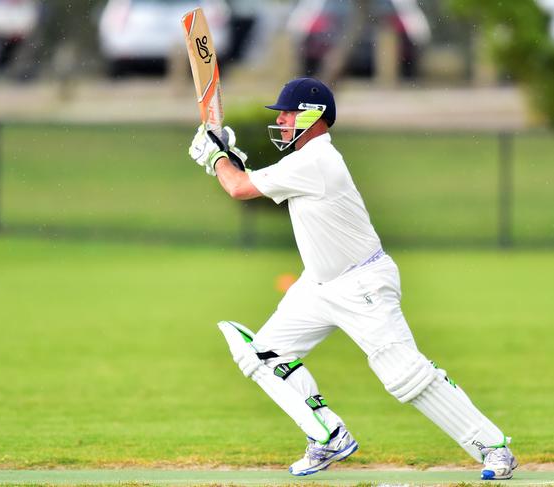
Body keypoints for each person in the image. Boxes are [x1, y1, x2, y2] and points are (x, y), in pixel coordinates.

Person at [188, 78, 517, 480]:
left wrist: (216, 159)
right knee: (262, 354)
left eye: (289, 113)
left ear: (313, 116)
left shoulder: (315, 160)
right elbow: (252, 181)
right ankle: (327, 435)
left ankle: (493, 446)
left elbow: (239, 188)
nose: (284, 121)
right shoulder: (304, 162)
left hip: (362, 284)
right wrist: (228, 155)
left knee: (405, 376)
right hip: (318, 285)